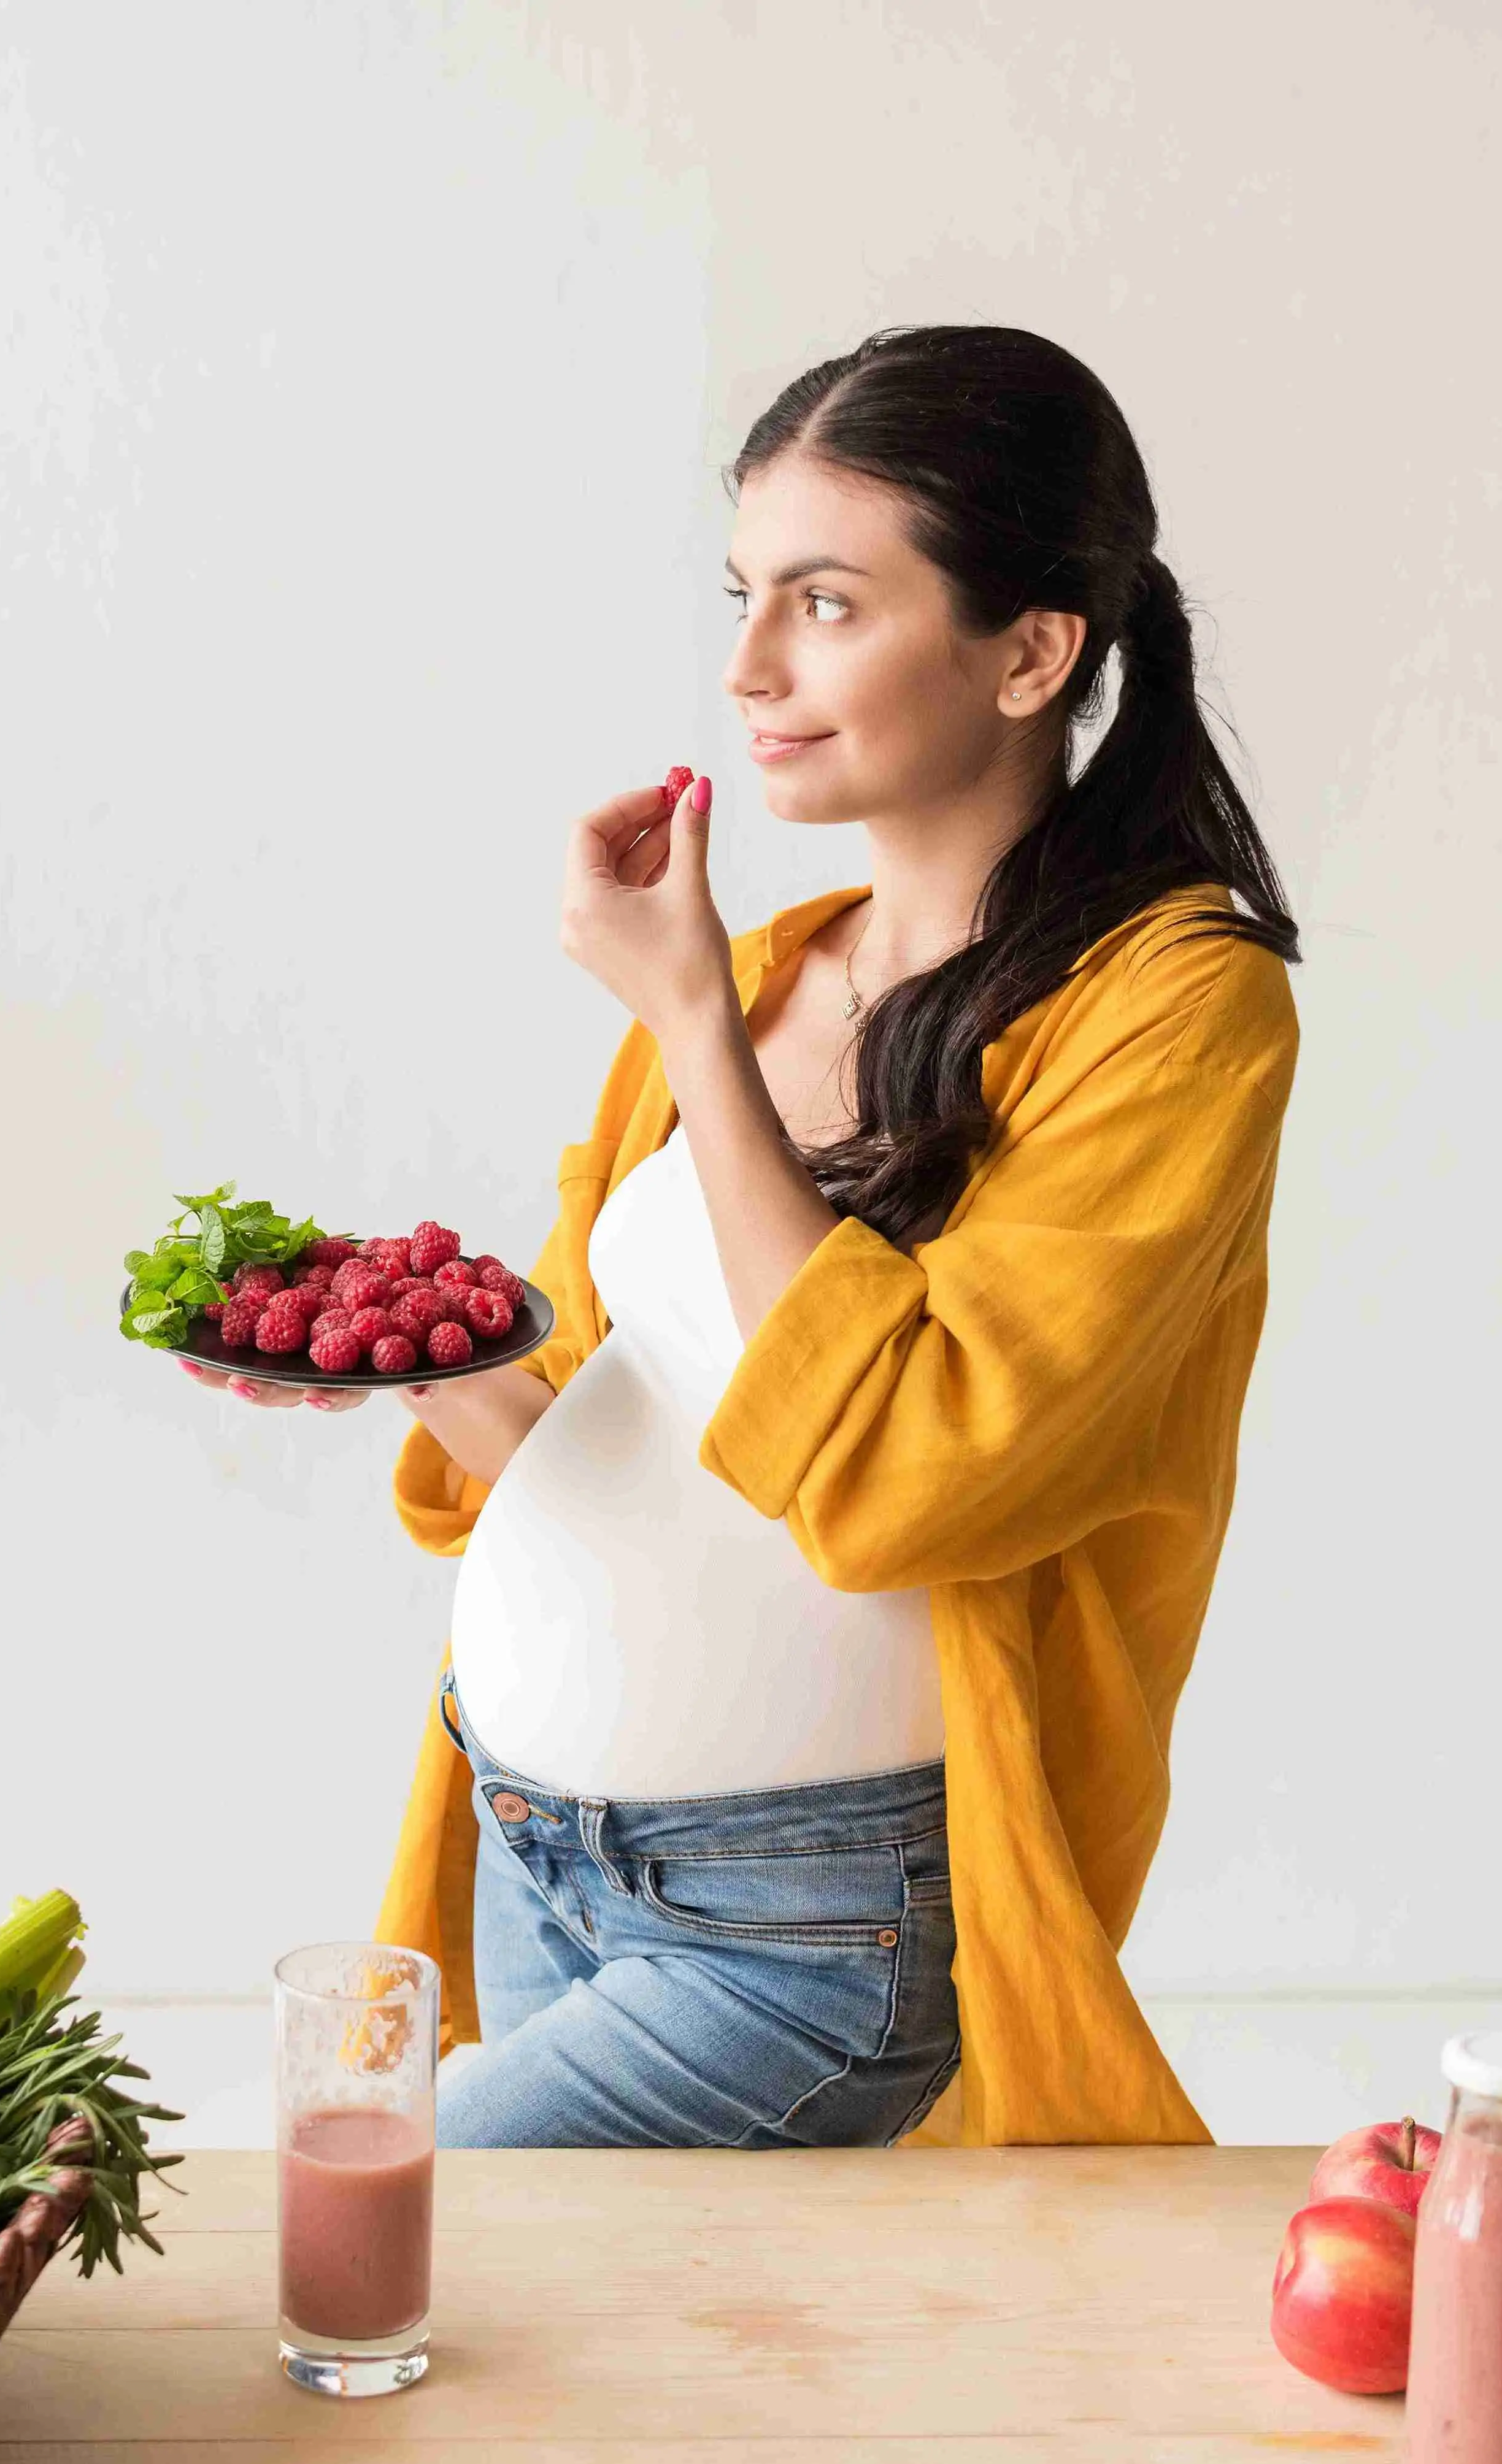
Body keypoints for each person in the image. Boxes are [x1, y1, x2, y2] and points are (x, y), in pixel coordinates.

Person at [187, 324, 1300, 2147]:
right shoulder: (776, 963)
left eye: (829, 604)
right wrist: (401, 1361)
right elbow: (620, 1444)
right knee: (565, 2418)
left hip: (812, 1931)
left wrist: (697, 1028)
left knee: (382, 2242)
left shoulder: (1177, 1010)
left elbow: (914, 1473)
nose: (749, 668)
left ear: (1033, 650)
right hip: (541, 1854)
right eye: (744, 595)